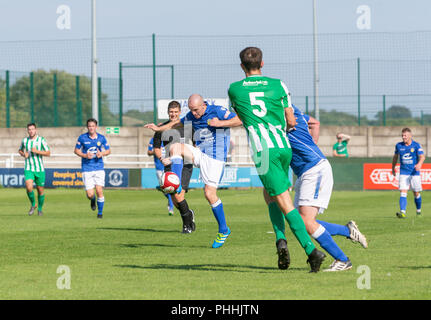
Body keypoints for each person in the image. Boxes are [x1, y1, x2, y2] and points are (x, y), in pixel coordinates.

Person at [226, 46, 326, 272]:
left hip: (263, 151)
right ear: (262, 64)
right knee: (270, 194)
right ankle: (280, 240)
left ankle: (312, 252)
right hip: (284, 147)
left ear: (242, 66)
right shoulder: (279, 84)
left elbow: (240, 117)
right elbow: (291, 119)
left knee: (283, 201)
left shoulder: (234, 89)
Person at [145, 94, 241, 248]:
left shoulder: (217, 111)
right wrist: (158, 128)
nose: (194, 113)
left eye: (196, 110)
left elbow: (240, 119)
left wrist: (220, 123)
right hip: (200, 153)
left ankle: (224, 229)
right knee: (175, 146)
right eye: (191, 110)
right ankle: (175, 182)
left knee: (209, 194)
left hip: (215, 158)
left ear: (203, 104)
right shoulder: (191, 115)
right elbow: (175, 124)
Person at [284, 104, 368, 271]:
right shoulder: (294, 111)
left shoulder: (281, 115)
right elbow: (315, 123)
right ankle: (347, 231)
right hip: (305, 171)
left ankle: (342, 260)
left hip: (313, 169)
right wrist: (313, 142)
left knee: (306, 221)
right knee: (298, 220)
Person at [152, 100, 195, 232]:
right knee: (174, 198)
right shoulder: (162, 128)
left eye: (176, 112)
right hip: (169, 165)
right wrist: (161, 158)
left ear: (180, 112)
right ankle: (189, 214)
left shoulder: (187, 127)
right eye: (171, 112)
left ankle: (187, 225)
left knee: (179, 195)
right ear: (168, 112)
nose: (173, 114)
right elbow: (156, 148)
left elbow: (196, 144)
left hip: (185, 164)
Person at [74, 118, 111, 219]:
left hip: (99, 167)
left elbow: (108, 151)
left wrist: (101, 153)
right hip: (87, 168)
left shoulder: (101, 138)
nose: (91, 128)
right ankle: (92, 199)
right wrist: (85, 155)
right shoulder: (82, 138)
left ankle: (100, 213)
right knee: (90, 194)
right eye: (89, 126)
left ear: (96, 127)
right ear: (87, 127)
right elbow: (76, 151)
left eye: (93, 126)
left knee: (99, 190)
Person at [18, 123, 51, 216]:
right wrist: (24, 154)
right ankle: (33, 204)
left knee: (40, 190)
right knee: (29, 188)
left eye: (32, 129)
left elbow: (48, 153)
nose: (31, 131)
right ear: (27, 130)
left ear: (36, 130)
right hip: (28, 168)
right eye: (29, 129)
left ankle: (40, 209)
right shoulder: (25, 141)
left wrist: (37, 151)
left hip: (39, 169)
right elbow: (20, 150)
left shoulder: (41, 140)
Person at [392, 127, 425, 218]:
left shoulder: (416, 145)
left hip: (414, 173)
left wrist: (419, 164)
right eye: (402, 135)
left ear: (410, 136)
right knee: (403, 191)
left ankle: (418, 210)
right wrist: (393, 167)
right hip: (403, 172)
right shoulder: (398, 145)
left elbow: (422, 157)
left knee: (416, 192)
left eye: (405, 135)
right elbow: (395, 157)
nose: (403, 137)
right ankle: (402, 212)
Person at [147, 137, 174, 216]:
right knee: (164, 188)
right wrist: (156, 151)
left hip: (169, 166)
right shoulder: (154, 139)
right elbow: (149, 152)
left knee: (168, 186)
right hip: (159, 167)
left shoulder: (170, 138)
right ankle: (170, 200)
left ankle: (171, 206)